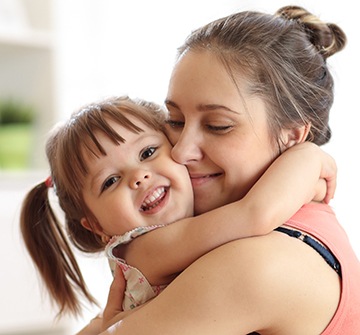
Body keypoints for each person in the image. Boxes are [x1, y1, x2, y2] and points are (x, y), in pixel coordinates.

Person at [95, 5, 360, 335]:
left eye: (218, 126)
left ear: (293, 136)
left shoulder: (255, 266)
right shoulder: (304, 223)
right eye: (175, 121)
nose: (181, 150)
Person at [20, 95, 332, 319]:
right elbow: (254, 214)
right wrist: (308, 158)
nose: (139, 176)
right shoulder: (141, 249)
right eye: (111, 181)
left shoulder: (202, 224)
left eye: (147, 152)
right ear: (97, 226)